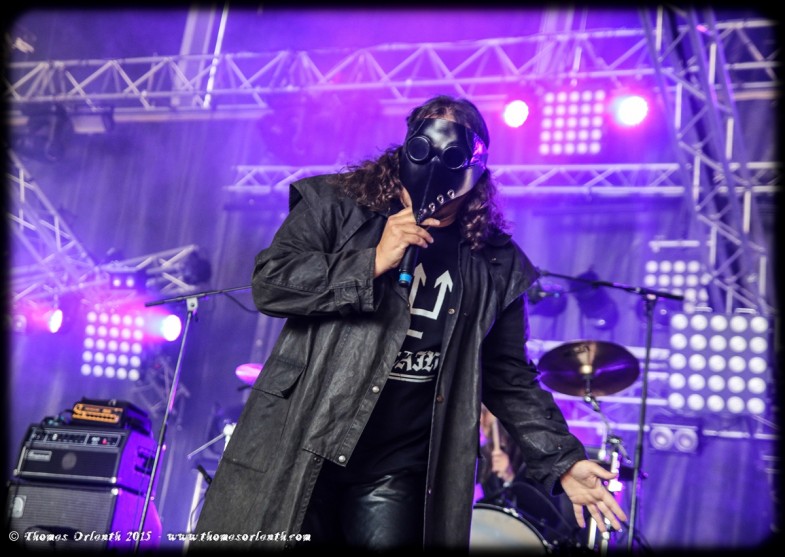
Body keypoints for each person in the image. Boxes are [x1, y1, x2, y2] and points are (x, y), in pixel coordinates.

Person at [192, 94, 627, 551]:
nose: (435, 165)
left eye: (453, 156)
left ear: (476, 171)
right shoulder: (337, 205)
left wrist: (562, 460)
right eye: (423, 149)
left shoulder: (497, 264)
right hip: (308, 436)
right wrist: (371, 261)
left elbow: (509, 376)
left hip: (398, 464)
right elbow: (271, 283)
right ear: (405, 149)